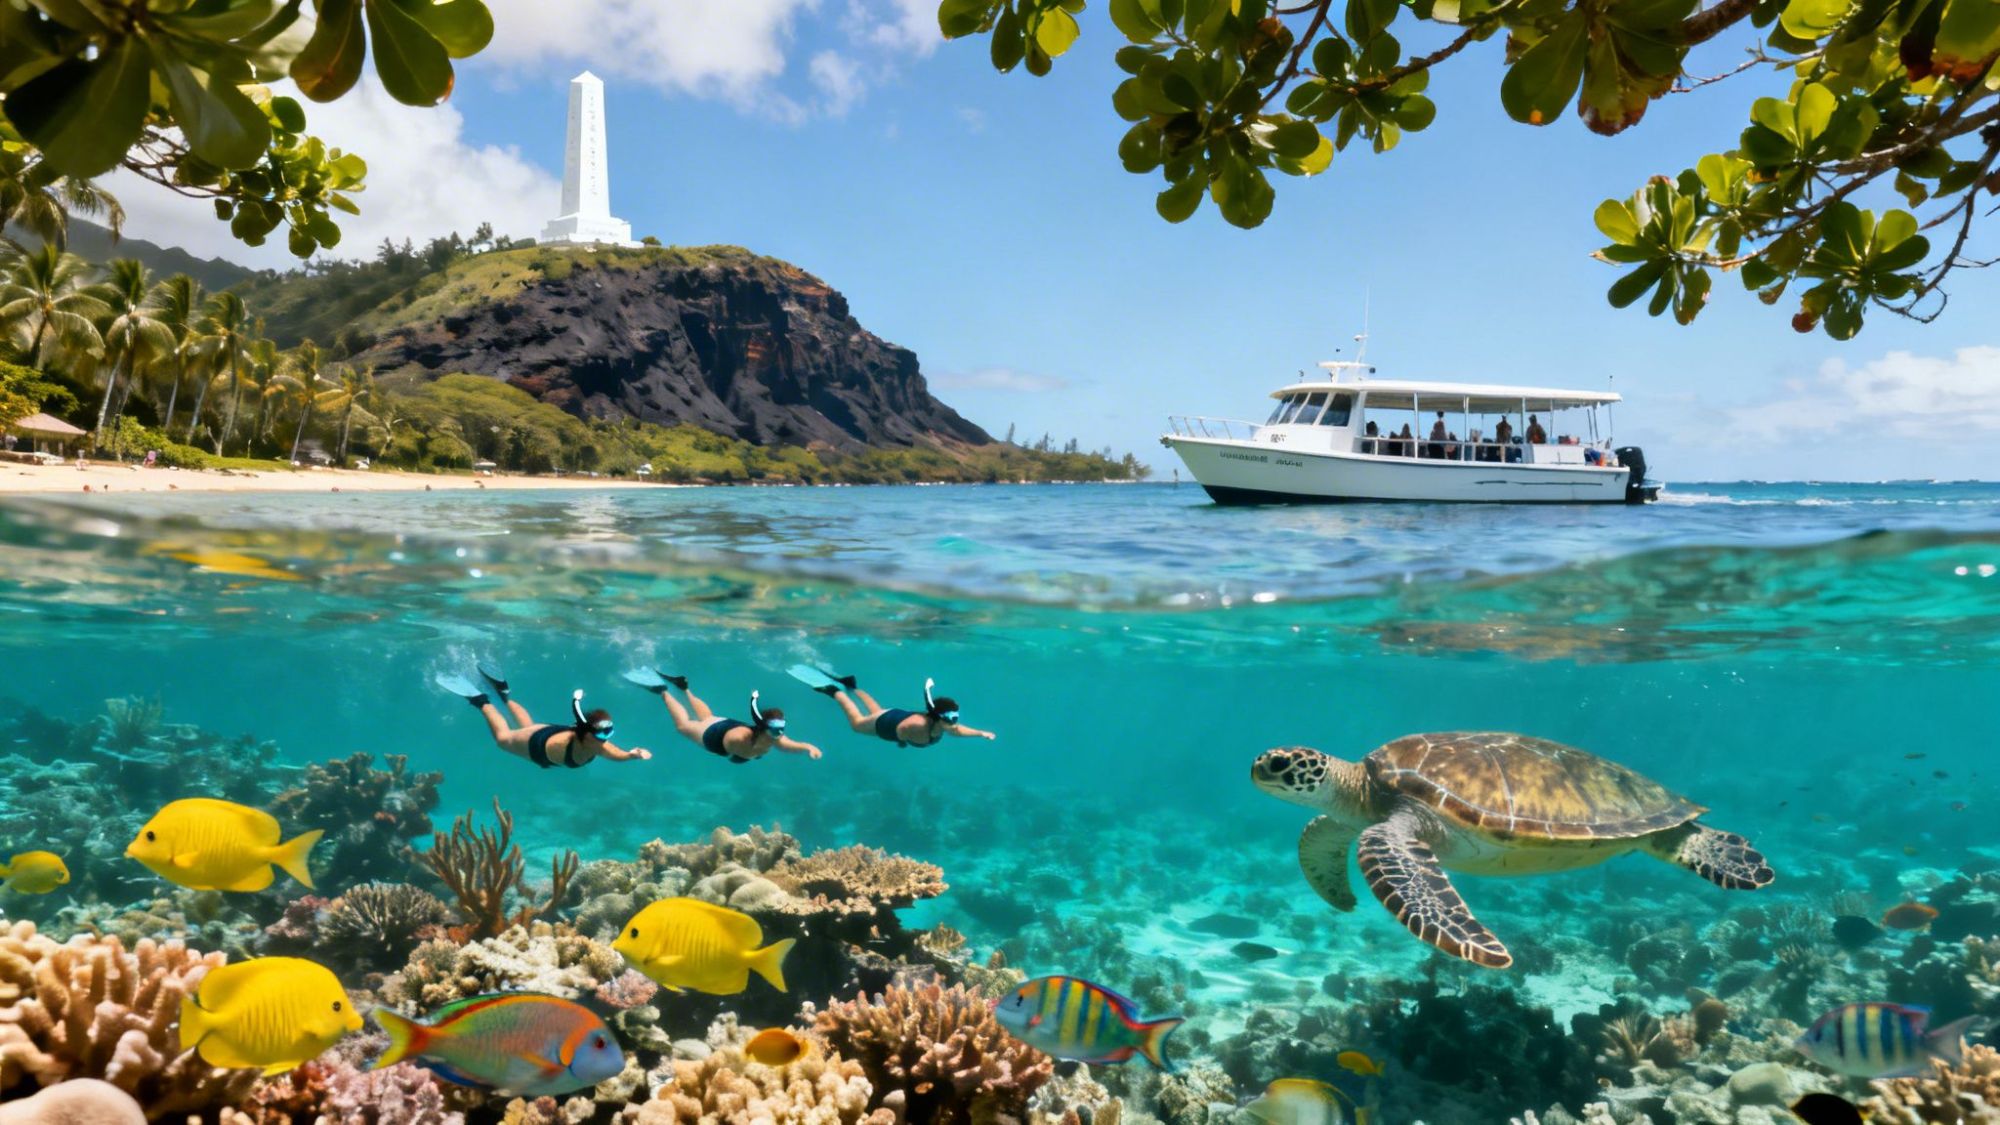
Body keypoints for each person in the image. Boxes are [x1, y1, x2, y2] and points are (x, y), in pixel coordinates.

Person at [435, 664, 651, 769]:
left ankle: (504, 694)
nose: (607, 740)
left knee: (530, 725)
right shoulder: (588, 744)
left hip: (552, 733)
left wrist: (632, 754)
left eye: (609, 732)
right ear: (587, 737)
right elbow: (607, 751)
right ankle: (480, 699)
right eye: (602, 735)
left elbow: (616, 755)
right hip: (539, 743)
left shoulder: (596, 743)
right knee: (503, 739)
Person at [628, 670, 821, 763]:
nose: (779, 733)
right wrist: (745, 756)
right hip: (714, 737)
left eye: (781, 728)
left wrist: (808, 747)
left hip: (730, 726)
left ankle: (684, 689)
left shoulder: (773, 736)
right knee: (684, 726)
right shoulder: (742, 740)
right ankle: (663, 691)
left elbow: (788, 746)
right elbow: (737, 753)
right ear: (763, 728)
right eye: (774, 729)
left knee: (708, 716)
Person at [800, 671, 995, 748]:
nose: (954, 723)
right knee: (857, 724)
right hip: (888, 724)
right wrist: (901, 742)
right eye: (950, 719)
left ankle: (852, 686)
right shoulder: (919, 725)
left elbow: (959, 731)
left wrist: (980, 733)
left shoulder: (945, 724)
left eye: (955, 718)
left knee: (877, 709)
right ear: (938, 717)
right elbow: (902, 729)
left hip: (893, 714)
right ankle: (836, 693)